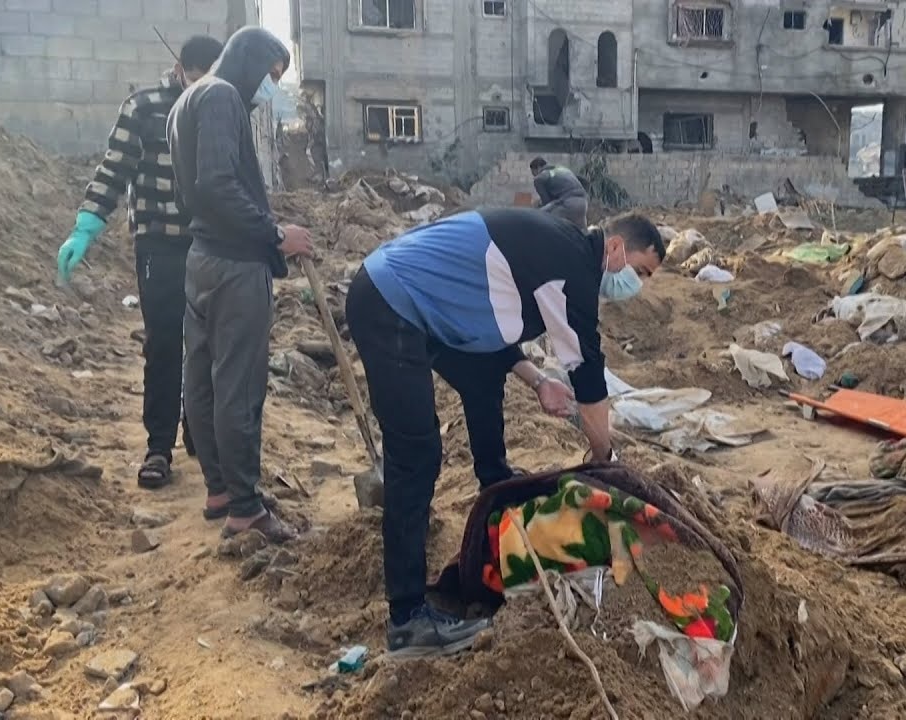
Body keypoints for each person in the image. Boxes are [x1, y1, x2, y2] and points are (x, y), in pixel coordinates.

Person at [346, 208, 665, 655]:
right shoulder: (573, 266)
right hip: (392, 303)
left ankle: (495, 484)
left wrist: (538, 381)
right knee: (416, 456)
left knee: (483, 379)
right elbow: (588, 373)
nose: (638, 285)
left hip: (419, 303)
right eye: (641, 271)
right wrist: (605, 459)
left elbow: (493, 333)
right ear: (615, 248)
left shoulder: (557, 250)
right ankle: (407, 619)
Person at [57, 35, 224, 490]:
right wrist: (87, 224)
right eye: (197, 78)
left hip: (209, 246)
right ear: (180, 69)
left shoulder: (221, 105)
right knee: (165, 343)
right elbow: (114, 169)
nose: (202, 88)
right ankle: (158, 447)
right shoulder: (144, 107)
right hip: (159, 246)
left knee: (205, 345)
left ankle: (198, 426)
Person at [167, 27, 313, 541]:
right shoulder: (224, 97)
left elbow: (202, 190)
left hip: (202, 258)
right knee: (238, 386)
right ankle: (246, 509)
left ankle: (221, 490)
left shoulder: (188, 98)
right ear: (248, 60)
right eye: (269, 76)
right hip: (234, 267)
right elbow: (216, 184)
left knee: (202, 380)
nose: (266, 88)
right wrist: (275, 234)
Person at [529, 157, 588, 227]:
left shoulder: (539, 178)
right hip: (583, 203)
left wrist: (539, 205)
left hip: (567, 204)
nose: (534, 176)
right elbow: (583, 180)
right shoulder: (563, 169)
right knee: (581, 232)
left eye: (534, 173)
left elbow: (546, 201)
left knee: (541, 219)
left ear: (538, 168)